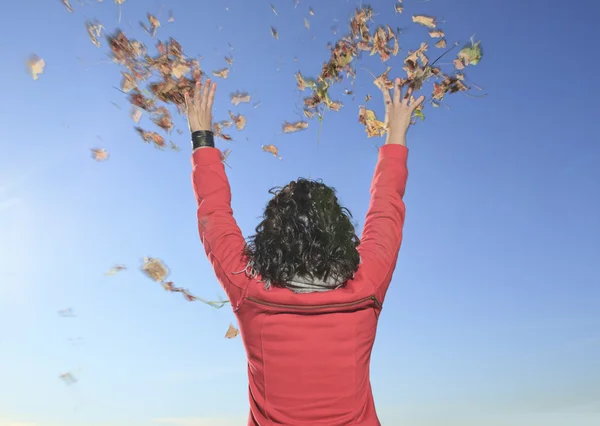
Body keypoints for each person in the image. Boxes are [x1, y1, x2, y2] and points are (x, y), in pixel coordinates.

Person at [185, 77, 424, 426]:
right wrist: (396, 135)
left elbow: (213, 214)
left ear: (270, 236)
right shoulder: (368, 285)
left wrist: (202, 138)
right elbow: (386, 209)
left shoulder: (248, 290)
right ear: (341, 232)